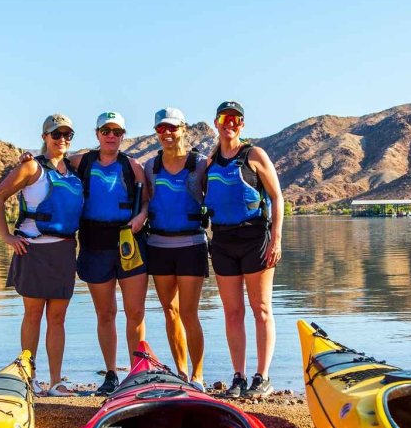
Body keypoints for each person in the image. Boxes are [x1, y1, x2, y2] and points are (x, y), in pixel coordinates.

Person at [0, 114, 83, 394]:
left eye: (67, 135)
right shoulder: (31, 167)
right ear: (45, 137)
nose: (62, 139)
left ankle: (56, 382)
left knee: (57, 318)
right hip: (32, 249)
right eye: (56, 134)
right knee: (32, 315)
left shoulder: (75, 167)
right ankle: (28, 379)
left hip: (64, 250)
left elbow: (101, 153)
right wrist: (7, 236)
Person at [205, 101, 284, 398]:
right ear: (216, 122)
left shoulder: (253, 155)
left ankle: (262, 377)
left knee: (261, 309)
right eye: (226, 118)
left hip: (255, 239)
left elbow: (277, 198)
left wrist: (276, 239)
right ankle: (238, 376)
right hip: (223, 241)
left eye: (236, 119)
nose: (231, 123)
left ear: (242, 125)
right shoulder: (210, 161)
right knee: (232, 312)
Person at [72, 111, 150, 396]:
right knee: (105, 313)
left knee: (135, 312)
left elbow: (146, 203)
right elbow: (50, 167)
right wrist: (31, 161)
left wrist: (141, 216)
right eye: (106, 130)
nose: (111, 135)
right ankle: (111, 374)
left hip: (129, 242)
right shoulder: (81, 162)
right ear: (97, 133)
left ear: (122, 136)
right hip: (94, 244)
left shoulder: (133, 166)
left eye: (117, 132)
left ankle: (137, 373)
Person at [143, 107, 208, 386]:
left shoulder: (201, 164)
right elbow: (145, 202)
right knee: (170, 311)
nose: (167, 133)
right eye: (161, 128)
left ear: (184, 128)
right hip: (158, 245)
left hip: (191, 244)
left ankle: (198, 375)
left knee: (189, 312)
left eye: (172, 127)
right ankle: (181, 372)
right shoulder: (150, 167)